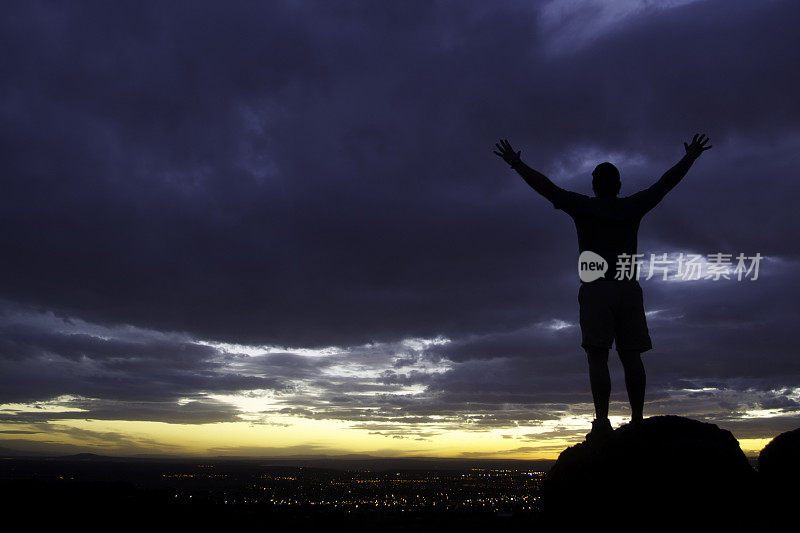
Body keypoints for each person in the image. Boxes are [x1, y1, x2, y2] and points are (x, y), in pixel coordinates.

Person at [493, 134, 712, 441]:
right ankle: (637, 420)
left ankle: (603, 422)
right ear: (618, 184)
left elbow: (547, 188)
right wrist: (690, 157)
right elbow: (664, 185)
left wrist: (517, 164)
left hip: (596, 289)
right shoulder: (631, 207)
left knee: (597, 356)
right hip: (627, 287)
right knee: (631, 355)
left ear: (594, 185)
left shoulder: (583, 207)